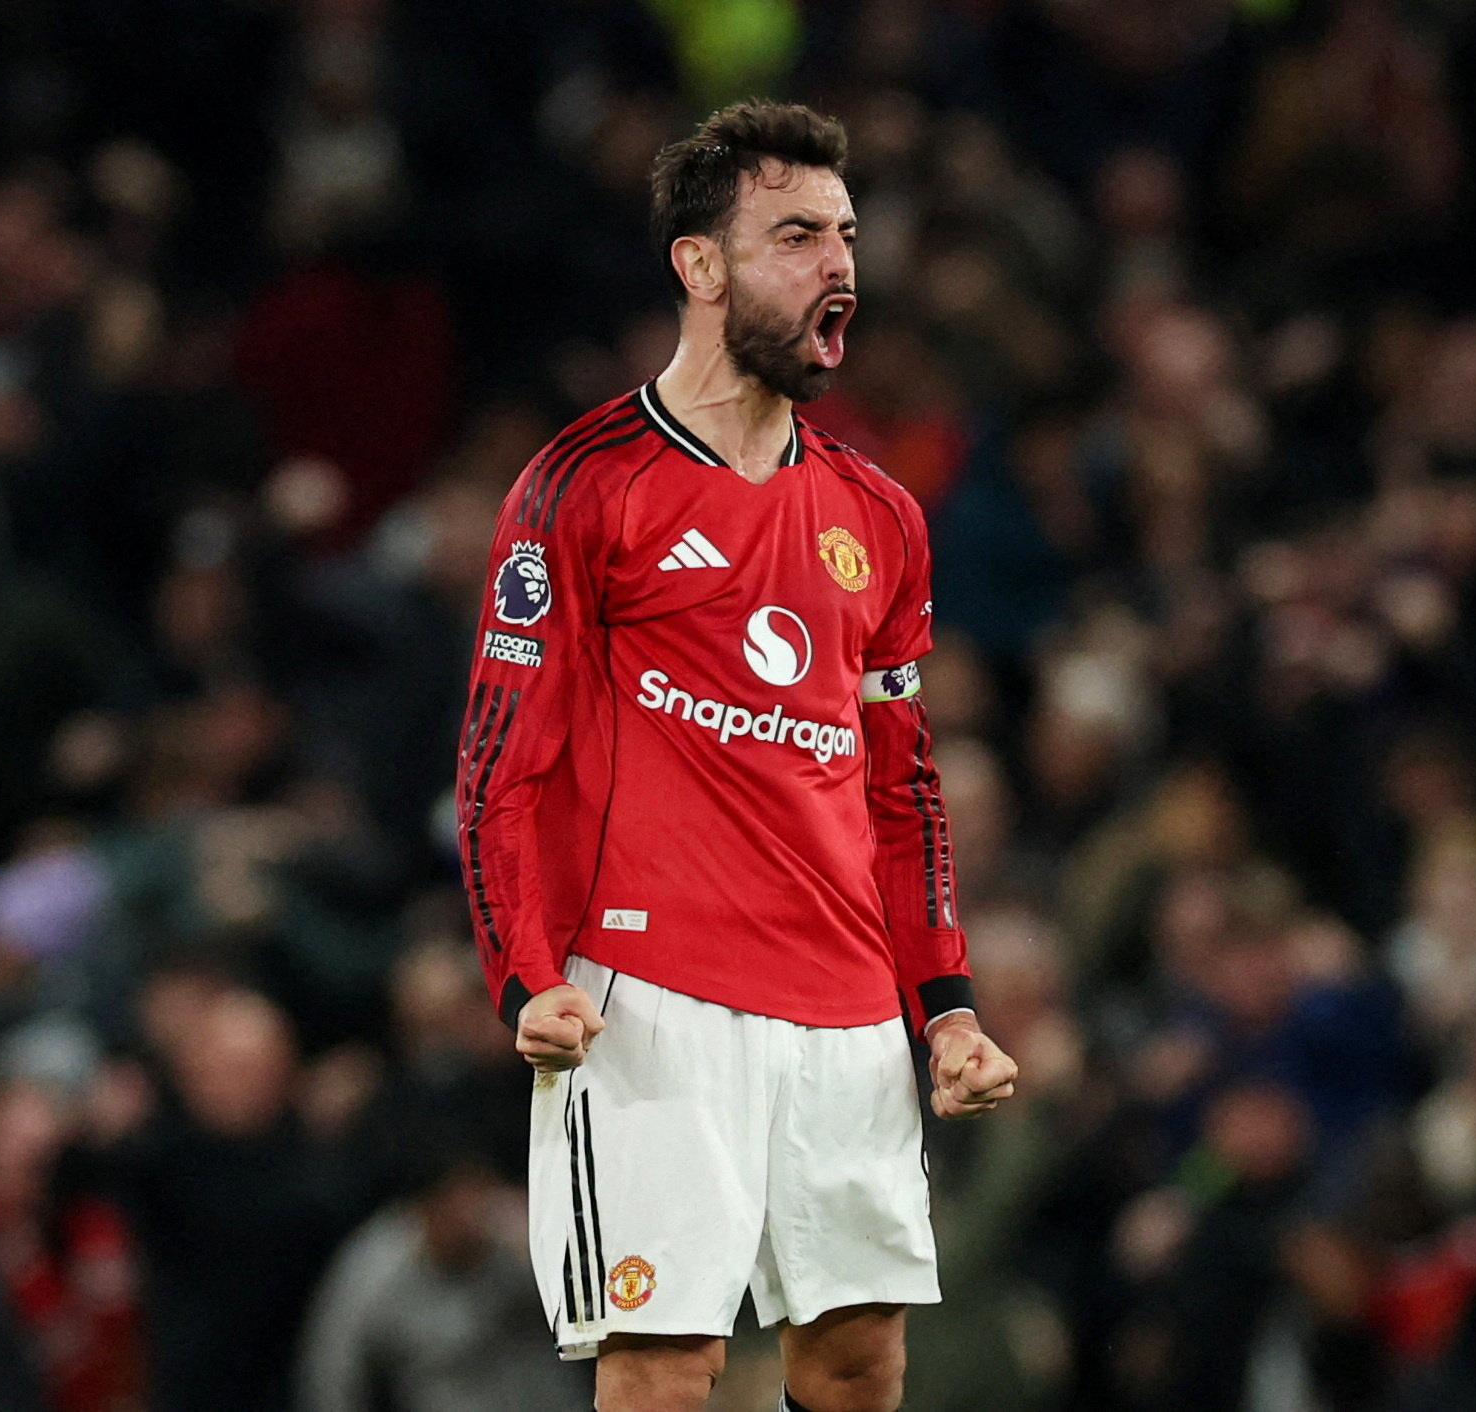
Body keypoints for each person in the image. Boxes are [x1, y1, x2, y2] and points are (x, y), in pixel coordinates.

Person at [456, 101, 1018, 1412]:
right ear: (698, 266)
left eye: (847, 235)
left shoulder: (876, 515)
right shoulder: (580, 485)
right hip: (649, 997)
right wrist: (521, 977)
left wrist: (944, 1009)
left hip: (843, 1007)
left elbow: (902, 786)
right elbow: (499, 764)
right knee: (666, 1364)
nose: (840, 265)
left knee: (859, 1357)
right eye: (794, 236)